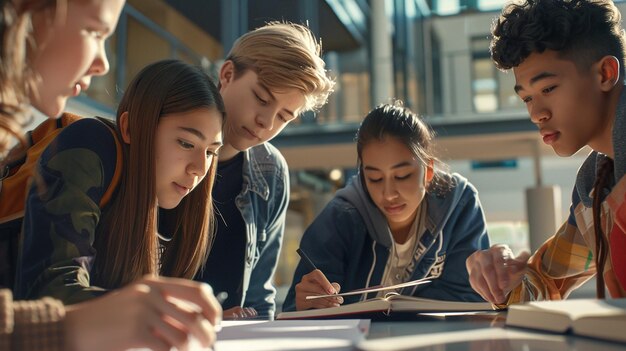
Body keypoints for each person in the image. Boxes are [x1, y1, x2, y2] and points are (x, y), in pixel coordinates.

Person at [0, 2, 222, 350]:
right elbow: (50, 289)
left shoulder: (177, 203)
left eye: (211, 152)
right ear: (130, 127)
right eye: (94, 32)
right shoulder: (92, 144)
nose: (199, 167)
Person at [465, 0, 626, 305]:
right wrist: (500, 277)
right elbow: (543, 282)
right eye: (527, 98)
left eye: (548, 89)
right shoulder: (595, 183)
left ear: (606, 73)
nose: (536, 113)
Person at [282, 103, 490, 312]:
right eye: (374, 178)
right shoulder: (339, 219)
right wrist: (307, 305)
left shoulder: (459, 204)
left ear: (428, 171)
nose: (389, 194)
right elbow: (297, 310)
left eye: (402, 176)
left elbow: (470, 297)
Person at [191, 21, 335, 320]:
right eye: (261, 99)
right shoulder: (170, 144)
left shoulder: (271, 172)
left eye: (284, 116)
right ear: (227, 74)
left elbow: (259, 298)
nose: (266, 123)